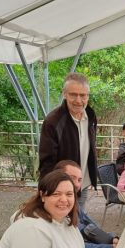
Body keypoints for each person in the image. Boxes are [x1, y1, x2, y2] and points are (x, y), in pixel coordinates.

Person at [39, 72, 98, 209]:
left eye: (83, 95)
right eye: (73, 94)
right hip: (62, 189)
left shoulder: (91, 115)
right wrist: (49, 191)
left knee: (78, 222)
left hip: (82, 183)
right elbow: (47, 162)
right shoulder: (53, 122)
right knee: (61, 223)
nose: (78, 100)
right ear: (64, 94)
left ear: (88, 96)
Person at [55, 160, 118, 248]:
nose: (77, 184)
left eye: (79, 180)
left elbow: (91, 226)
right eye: (72, 178)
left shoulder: (72, 204)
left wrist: (111, 238)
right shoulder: (57, 211)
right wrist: (110, 247)